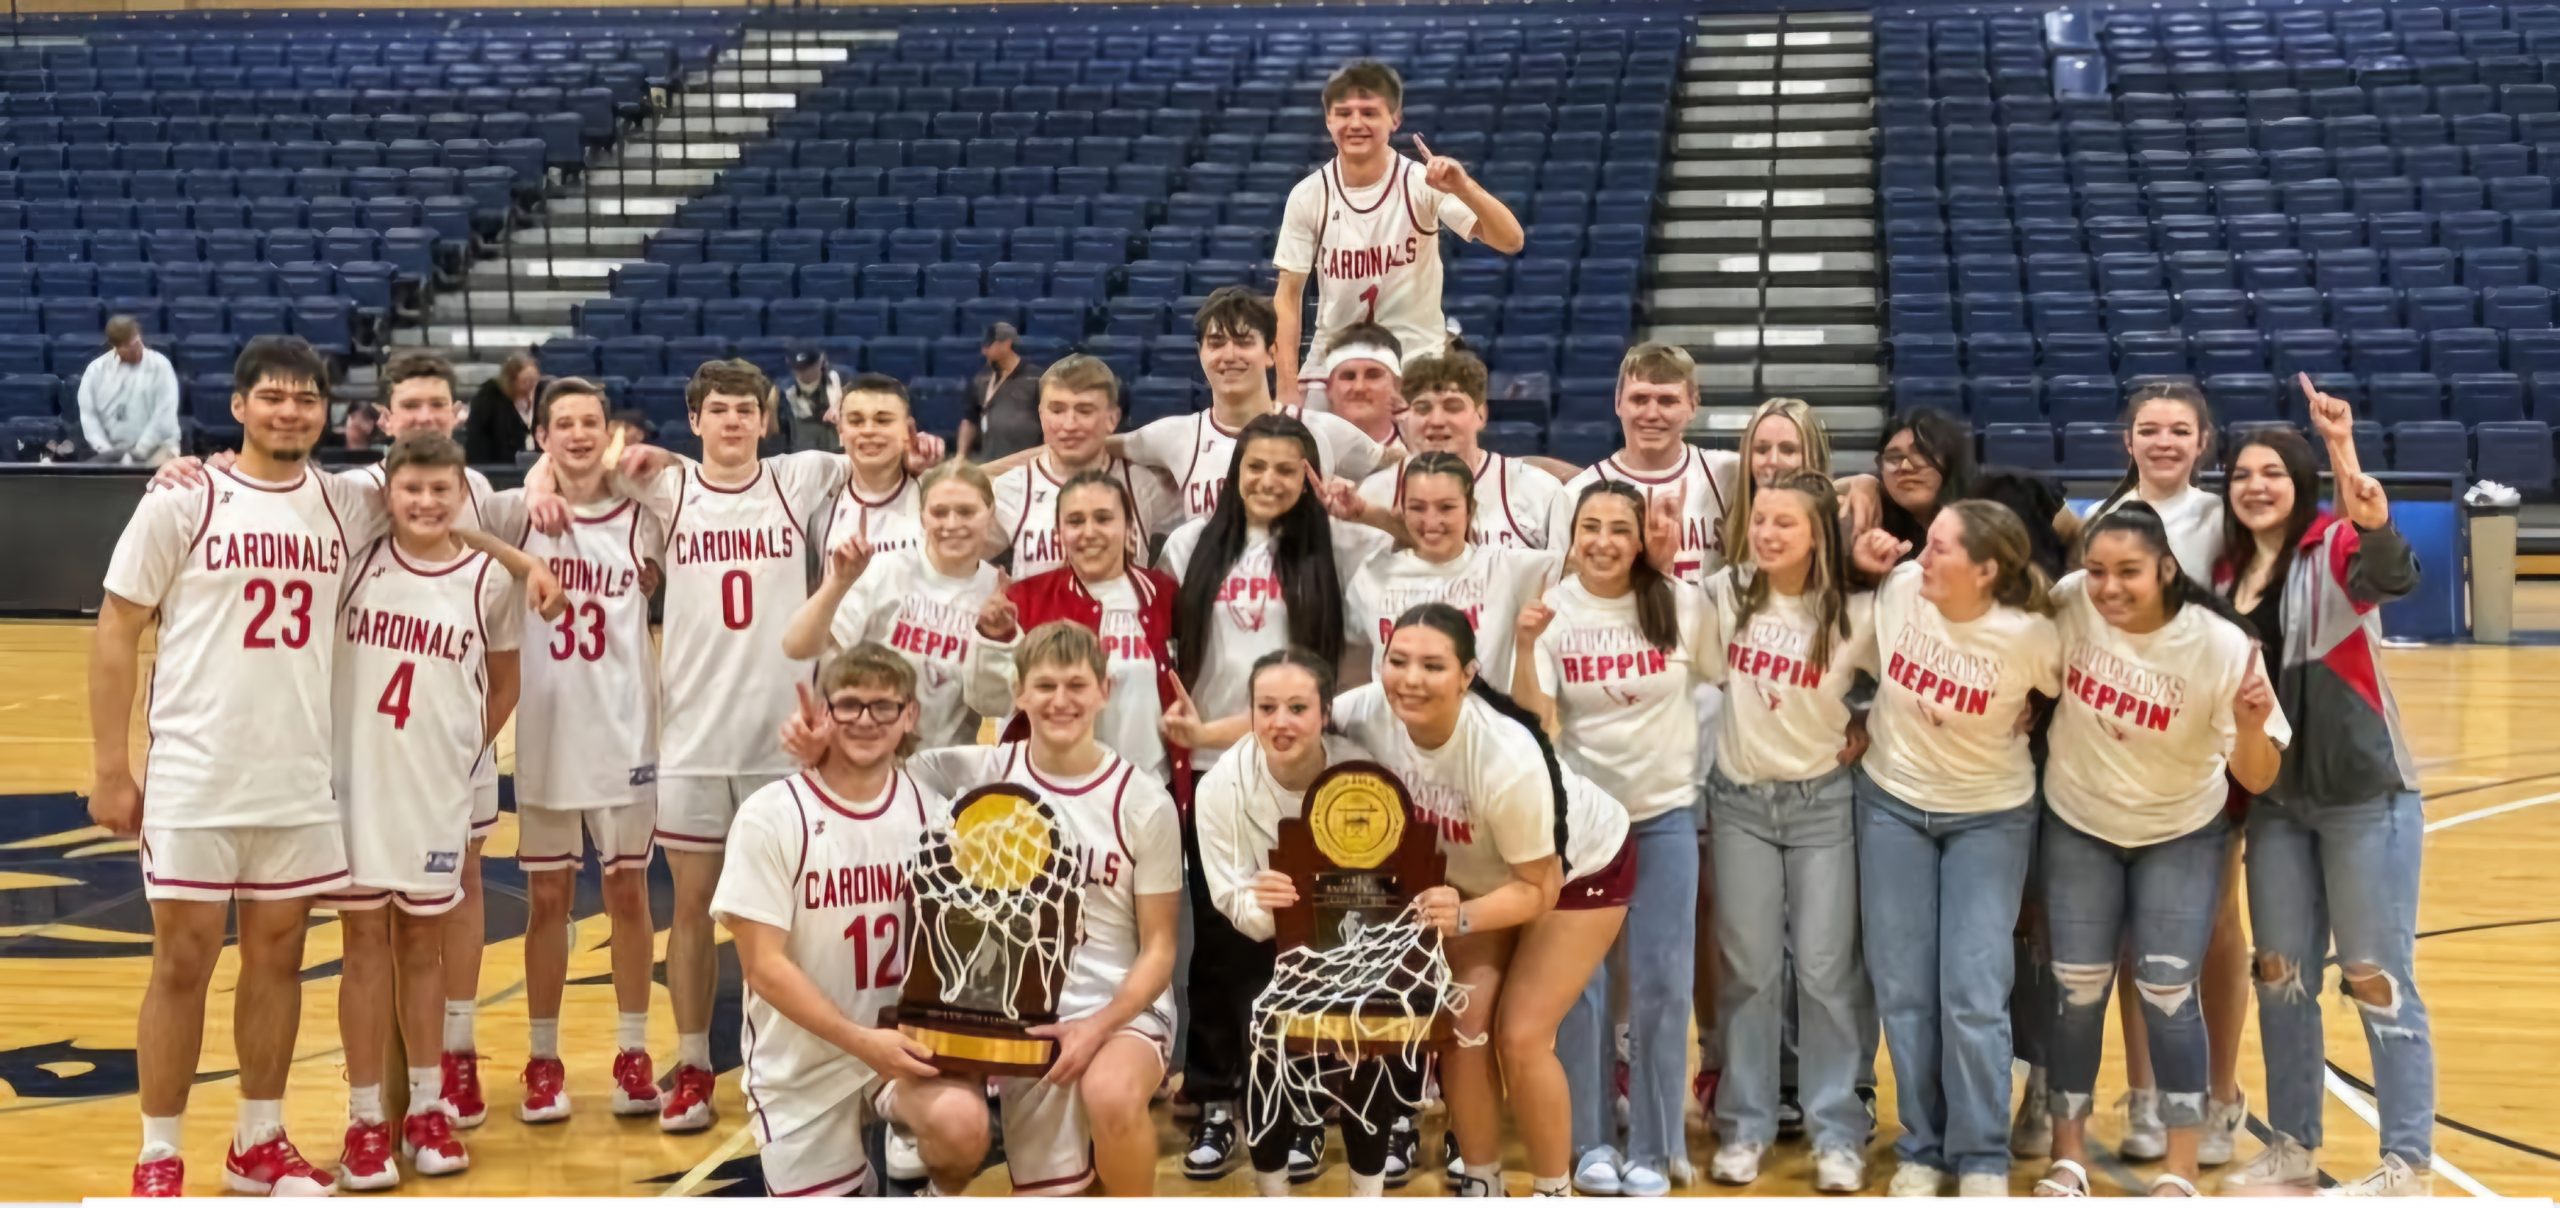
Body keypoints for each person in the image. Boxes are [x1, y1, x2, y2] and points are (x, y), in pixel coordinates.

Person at [150, 350, 517, 1125]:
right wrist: (192, 468)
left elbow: (471, 541)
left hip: (447, 749)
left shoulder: (475, 497)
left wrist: (524, 563)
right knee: (364, 940)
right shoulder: (355, 504)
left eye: (437, 405)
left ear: (456, 413)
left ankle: (448, 1064)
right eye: (410, 406)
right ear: (384, 418)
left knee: (446, 908)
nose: (424, 418)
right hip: (348, 762)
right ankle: (367, 1113)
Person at [90, 336, 389, 1196]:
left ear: (326, 412)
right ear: (239, 407)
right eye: (273, 397)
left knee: (279, 959)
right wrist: (111, 768)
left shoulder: (346, 503)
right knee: (182, 962)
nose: (290, 412)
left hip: (297, 778)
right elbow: (116, 627)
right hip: (197, 775)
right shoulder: (185, 499)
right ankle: (158, 1155)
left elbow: (450, 488)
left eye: (306, 399)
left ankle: (258, 1141)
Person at [597, 359, 856, 1134]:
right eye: (719, 409)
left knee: (793, 918)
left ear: (766, 420)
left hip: (784, 738)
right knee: (690, 911)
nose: (735, 421)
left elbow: (889, 460)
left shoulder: (798, 477)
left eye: (747, 409)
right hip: (694, 740)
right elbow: (577, 469)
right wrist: (638, 459)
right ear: (696, 420)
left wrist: (922, 447)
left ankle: (794, 1062)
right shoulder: (668, 491)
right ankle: (693, 1067)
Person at [318, 432, 558, 1190]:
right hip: (357, 784)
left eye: (440, 490)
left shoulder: (488, 580)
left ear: (464, 495)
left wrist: (459, 756)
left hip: (433, 792)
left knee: (423, 948)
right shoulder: (355, 560)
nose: (425, 502)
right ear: (387, 493)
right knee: (362, 948)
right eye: (411, 489)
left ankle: (426, 1107)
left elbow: (505, 684)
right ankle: (365, 1120)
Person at [1156, 412, 1392, 1176]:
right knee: (1222, 941)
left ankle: (1307, 1098)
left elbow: (1420, 549)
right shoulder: (1189, 545)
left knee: (1309, 940)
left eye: (1287, 469)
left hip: (1305, 766)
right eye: (1255, 466)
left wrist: (1366, 510)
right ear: (1234, 472)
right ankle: (1218, 1096)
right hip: (1217, 770)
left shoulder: (1342, 548)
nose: (1268, 481)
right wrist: (1201, 735)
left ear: (1310, 480)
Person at [2025, 381, 2251, 1168]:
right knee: (2116, 944)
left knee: (2209, 929)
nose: (2163, 442)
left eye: (2179, 430)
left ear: (2203, 442)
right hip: (2110, 745)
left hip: (2201, 739)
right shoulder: (2099, 521)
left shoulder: (2224, 518)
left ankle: (2220, 1093)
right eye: (2148, 429)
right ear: (2128, 441)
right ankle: (2144, 1093)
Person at [1331, 604, 1631, 1198]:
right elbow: (1292, 719)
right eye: (1398, 661)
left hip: (1576, 872)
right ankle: (1483, 1182)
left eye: (1433, 666)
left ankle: (1552, 1191)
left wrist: (1463, 916)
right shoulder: (1371, 709)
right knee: (1463, 1028)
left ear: (1467, 675)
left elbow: (1539, 888)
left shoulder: (1504, 758)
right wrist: (1203, 735)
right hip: (1485, 874)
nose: (1411, 679)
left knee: (1521, 1036)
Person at [875, 621, 1184, 1197]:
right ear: (1018, 693)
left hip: (1121, 1006)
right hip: (1023, 1015)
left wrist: (1097, 1026)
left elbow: (1160, 948)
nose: (1060, 700)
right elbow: (895, 769)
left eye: (1076, 685)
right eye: (1044, 686)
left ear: (1104, 691)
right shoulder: (984, 772)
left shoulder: (1143, 800)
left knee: (1111, 1094)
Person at [2215, 385, 2434, 1197]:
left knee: (2376, 977)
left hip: (2363, 796)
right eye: (2242, 473)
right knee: (2279, 974)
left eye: (2272, 472)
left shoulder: (2335, 545)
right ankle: (2293, 1149)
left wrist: (2354, 475)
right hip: (2276, 804)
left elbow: (2392, 574)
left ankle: (2407, 1165)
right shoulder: (2224, 575)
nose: (2256, 485)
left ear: (2299, 482)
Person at [1846, 501, 2063, 1197]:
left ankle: (1981, 1156)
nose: (1922, 556)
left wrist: (2037, 713)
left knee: (1972, 991)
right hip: (1892, 803)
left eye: (1939, 547)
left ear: (1987, 569)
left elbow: (2067, 690)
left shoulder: (2030, 635)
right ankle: (1922, 1146)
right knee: (1905, 989)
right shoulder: (1901, 588)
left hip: (1989, 816)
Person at [1512, 481, 1712, 1198]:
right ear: (1572, 537)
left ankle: (1655, 1145)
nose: (1602, 541)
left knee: (1663, 983)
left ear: (1641, 540)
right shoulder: (1554, 609)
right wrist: (1526, 643)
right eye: (1589, 527)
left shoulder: (1682, 604)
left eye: (1619, 529)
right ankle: (1590, 1140)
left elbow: (1733, 679)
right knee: (1583, 987)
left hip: (1664, 818)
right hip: (1586, 829)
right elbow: (1533, 719)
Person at [478, 377, 670, 1125]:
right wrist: (533, 488)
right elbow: (448, 521)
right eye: (564, 424)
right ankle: (543, 1058)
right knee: (549, 901)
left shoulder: (643, 512)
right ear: (542, 436)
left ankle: (633, 1052)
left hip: (625, 730)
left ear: (608, 431)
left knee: (627, 892)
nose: (580, 435)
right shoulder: (516, 513)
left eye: (592, 422)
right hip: (549, 728)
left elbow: (703, 479)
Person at [712, 645, 952, 1197]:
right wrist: (862, 1042)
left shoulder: (933, 812)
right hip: (805, 1064)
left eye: (883, 706)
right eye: (849, 704)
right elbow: (763, 969)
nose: (866, 719)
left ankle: (931, 1186)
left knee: (960, 1125)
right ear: (823, 713)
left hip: (901, 1049)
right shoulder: (771, 816)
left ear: (910, 715)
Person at [1699, 472, 1875, 1192]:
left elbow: (1911, 671)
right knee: (1748, 971)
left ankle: (1838, 1131)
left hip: (1823, 803)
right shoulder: (1725, 593)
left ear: (1817, 534)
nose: (1767, 534)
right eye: (1761, 520)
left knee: (1826, 972)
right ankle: (1746, 1125)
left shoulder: (1856, 610)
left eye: (1785, 523)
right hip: (1739, 800)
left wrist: (1868, 721)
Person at [1193, 648, 1415, 1195]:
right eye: (1266, 707)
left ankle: (1367, 1195)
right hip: (1260, 944)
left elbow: (1394, 884)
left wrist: (1328, 909)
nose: (1281, 722)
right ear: (1250, 712)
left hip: (1354, 940)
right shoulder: (1219, 787)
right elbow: (1233, 903)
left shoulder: (1363, 776)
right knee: (1262, 1040)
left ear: (1325, 712)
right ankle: (1273, 1194)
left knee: (1365, 1042)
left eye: (1297, 707)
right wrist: (1271, 907)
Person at [1271, 59, 1525, 409]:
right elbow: (1288, 296)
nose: (1355, 123)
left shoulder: (1421, 182)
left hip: (1415, 364)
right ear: (1328, 120)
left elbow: (1511, 240)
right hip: (1334, 363)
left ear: (1395, 118)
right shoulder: (1308, 194)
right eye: (1343, 113)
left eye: (1369, 113)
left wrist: (1464, 187)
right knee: (1292, 436)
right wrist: (1286, 385)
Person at [1111, 287, 1398, 523]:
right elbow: (1096, 446)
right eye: (1217, 343)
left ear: (1271, 353)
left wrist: (1366, 514)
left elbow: (1398, 463)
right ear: (1201, 353)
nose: (1229, 355)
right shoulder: (1174, 436)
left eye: (1244, 342)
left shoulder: (1321, 429)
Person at [781, 459, 1014, 748]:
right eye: (939, 512)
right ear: (922, 517)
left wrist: (996, 638)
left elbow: (996, 706)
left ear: (990, 513)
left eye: (966, 512)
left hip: (945, 764)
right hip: (867, 753)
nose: (952, 524)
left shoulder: (999, 593)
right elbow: (797, 646)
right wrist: (837, 584)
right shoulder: (887, 571)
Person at [1000, 470, 1186, 788]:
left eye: (1103, 518)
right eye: (1075, 521)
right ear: (1059, 532)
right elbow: (991, 700)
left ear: (1129, 528)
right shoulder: (1025, 600)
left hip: (1150, 785)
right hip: (1056, 790)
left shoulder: (1163, 594)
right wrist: (994, 638)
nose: (1089, 532)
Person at [1345, 453, 1554, 692]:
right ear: (1402, 511)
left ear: (1470, 509)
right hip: (1398, 713)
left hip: (1481, 713)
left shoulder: (1507, 568)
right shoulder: (1374, 573)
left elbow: (1581, 565)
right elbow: (1352, 662)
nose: (1431, 520)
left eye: (1446, 508)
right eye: (1417, 508)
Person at [1548, 344, 1740, 585]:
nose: (1651, 414)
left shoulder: (1730, 475)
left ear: (1693, 405)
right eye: (1639, 399)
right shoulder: (1576, 494)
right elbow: (1559, 592)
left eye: (1667, 401)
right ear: (1618, 402)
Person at [988, 355, 1182, 578]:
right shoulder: (1011, 487)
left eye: (1084, 411)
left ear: (1112, 419)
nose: (1069, 425)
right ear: (1042, 416)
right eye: (1057, 410)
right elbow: (960, 560)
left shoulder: (1143, 483)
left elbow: (1208, 521)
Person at [1362, 347, 1560, 549]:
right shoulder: (1373, 495)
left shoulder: (1537, 490)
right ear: (1407, 418)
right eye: (1423, 408)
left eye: (1453, 407)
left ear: (1481, 415)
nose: (1437, 421)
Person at [815, 373, 939, 559]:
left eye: (883, 420)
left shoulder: (937, 499)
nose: (868, 431)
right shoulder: (817, 508)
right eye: (856, 421)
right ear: (841, 430)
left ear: (909, 429)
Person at [1872, 407, 1977, 557]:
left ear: (1949, 460)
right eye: (1894, 458)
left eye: (1920, 454)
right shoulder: (1874, 523)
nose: (1905, 467)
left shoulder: (1983, 523)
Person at [78, 314, 180, 465]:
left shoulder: (160, 366)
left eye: (137, 342)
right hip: (112, 452)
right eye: (129, 347)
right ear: (116, 347)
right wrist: (106, 451)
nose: (137, 349)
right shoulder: (96, 370)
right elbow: (89, 416)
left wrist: (139, 451)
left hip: (157, 448)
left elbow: (165, 415)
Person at [1318, 322, 1408, 450]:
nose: (1359, 387)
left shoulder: (1420, 451)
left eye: (1373, 375)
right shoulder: (1304, 452)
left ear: (1397, 386)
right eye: (1348, 376)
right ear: (1329, 388)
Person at [960, 322, 1043, 461]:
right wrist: (960, 456)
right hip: (988, 461)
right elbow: (970, 420)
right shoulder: (981, 379)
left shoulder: (1035, 378)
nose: (984, 352)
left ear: (1006, 344)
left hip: (1024, 462)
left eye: (989, 346)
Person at [461, 351, 540, 465]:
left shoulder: (542, 394)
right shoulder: (489, 399)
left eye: (533, 381)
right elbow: (477, 440)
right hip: (500, 464)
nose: (530, 386)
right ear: (511, 381)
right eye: (525, 382)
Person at [779, 347, 847, 452]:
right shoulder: (784, 391)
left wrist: (839, 407)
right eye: (799, 369)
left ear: (820, 362)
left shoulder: (843, 380)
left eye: (809, 367)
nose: (804, 373)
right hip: (802, 452)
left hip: (840, 449)